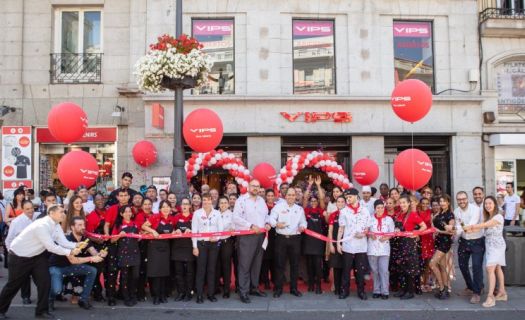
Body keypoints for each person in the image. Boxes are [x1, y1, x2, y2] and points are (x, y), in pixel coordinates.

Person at [0, 205, 85, 319]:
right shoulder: (42, 225)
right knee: (13, 285)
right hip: (19, 257)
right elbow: (51, 247)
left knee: (45, 282)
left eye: (63, 211)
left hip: (37, 256)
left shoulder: (56, 224)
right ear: (51, 213)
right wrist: (70, 252)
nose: (63, 214)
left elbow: (62, 241)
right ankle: (1, 310)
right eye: (60, 212)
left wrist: (75, 245)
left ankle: (41, 311)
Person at [48, 216, 105, 311]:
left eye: (83, 225)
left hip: (70, 267)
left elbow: (93, 252)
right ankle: (49, 300)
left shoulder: (85, 238)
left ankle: (83, 299)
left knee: (92, 270)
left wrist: (100, 254)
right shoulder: (66, 239)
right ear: (72, 227)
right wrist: (92, 258)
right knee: (57, 290)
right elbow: (73, 260)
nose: (83, 227)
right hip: (56, 267)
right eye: (79, 225)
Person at [465, 196, 507, 308]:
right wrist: (467, 229)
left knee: (489, 269)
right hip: (489, 246)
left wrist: (472, 226)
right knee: (497, 268)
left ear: (495, 204)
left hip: (497, 246)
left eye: (490, 203)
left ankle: (490, 297)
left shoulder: (498, 217)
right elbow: (480, 228)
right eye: (486, 204)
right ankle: (502, 292)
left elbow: (484, 225)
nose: (488, 205)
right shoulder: (487, 217)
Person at [233, 179, 270, 303]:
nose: (255, 188)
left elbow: (266, 215)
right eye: (253, 186)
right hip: (246, 236)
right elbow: (236, 218)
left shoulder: (261, 201)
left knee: (256, 263)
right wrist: (250, 225)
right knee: (244, 265)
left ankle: (254, 288)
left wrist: (267, 222)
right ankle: (243, 292)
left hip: (260, 236)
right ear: (248, 187)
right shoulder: (241, 200)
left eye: (257, 186)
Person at [270, 188, 307, 298]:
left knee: (295, 265)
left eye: (292, 195)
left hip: (295, 239)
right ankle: (278, 289)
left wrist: (303, 227)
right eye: (289, 195)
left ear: (295, 196)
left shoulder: (299, 209)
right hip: (281, 238)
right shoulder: (278, 207)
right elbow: (271, 218)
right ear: (285, 196)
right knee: (279, 264)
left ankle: (294, 288)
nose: (290, 197)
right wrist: (276, 224)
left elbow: (303, 222)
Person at [338, 189, 370, 300]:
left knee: (360, 270)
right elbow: (341, 228)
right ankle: (344, 291)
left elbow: (368, 227)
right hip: (348, 245)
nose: (348, 199)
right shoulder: (344, 211)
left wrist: (363, 234)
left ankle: (361, 291)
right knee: (346, 270)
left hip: (361, 246)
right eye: (347, 198)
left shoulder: (364, 210)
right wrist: (338, 243)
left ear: (356, 196)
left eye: (350, 197)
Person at [393, 196, 427, 300]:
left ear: (408, 204)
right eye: (401, 203)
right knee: (401, 268)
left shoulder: (412, 215)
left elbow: (424, 226)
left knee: (409, 268)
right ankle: (403, 289)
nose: (402, 205)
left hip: (409, 244)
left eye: (404, 203)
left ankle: (410, 291)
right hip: (400, 244)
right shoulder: (399, 214)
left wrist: (416, 233)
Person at [454, 191, 485, 304]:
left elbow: (469, 226)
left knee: (477, 266)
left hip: (477, 241)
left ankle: (477, 292)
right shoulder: (456, 211)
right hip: (463, 241)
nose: (461, 201)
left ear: (467, 199)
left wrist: (455, 229)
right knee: (462, 266)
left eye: (463, 199)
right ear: (457, 200)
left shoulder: (475, 209)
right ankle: (470, 287)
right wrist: (453, 235)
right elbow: (458, 227)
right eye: (459, 199)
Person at [192, 193, 223, 303]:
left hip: (213, 245)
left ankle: (211, 294)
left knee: (211, 270)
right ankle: (199, 295)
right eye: (204, 200)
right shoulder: (197, 213)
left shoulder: (217, 213)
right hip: (201, 245)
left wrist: (217, 237)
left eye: (208, 200)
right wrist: (194, 247)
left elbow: (221, 229)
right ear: (202, 201)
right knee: (201, 270)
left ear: (211, 201)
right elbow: (194, 231)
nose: (206, 202)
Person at [142, 200, 174, 305]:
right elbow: (144, 226)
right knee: (155, 273)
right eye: (163, 207)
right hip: (154, 249)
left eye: (167, 206)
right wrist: (152, 231)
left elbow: (172, 232)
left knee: (164, 272)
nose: (165, 209)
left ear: (170, 208)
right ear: (160, 209)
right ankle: (156, 296)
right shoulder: (155, 217)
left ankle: (162, 295)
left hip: (166, 248)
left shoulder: (171, 219)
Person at [4, 200, 35, 305]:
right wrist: (12, 253)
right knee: (17, 280)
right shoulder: (16, 222)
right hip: (19, 255)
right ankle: (25, 297)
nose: (30, 210)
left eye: (31, 208)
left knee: (41, 278)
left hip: (35, 254)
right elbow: (9, 240)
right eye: (27, 209)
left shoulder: (36, 218)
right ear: (22, 210)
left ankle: (45, 303)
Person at [103, 189, 131, 306]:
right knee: (112, 271)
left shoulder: (131, 209)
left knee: (125, 271)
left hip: (128, 245)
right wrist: (108, 236)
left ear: (129, 197)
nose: (123, 197)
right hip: (114, 244)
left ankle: (123, 294)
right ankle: (111, 296)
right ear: (117, 197)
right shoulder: (112, 209)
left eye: (125, 195)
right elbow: (107, 224)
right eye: (121, 195)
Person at [111, 206, 141, 307]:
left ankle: (133, 294)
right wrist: (119, 235)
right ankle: (126, 297)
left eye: (130, 211)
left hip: (135, 253)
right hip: (123, 254)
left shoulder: (135, 224)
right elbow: (112, 240)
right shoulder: (118, 225)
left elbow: (139, 236)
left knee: (135, 276)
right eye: (126, 212)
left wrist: (140, 236)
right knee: (124, 277)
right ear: (121, 214)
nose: (128, 213)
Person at [429, 195, 455, 300]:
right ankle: (445, 289)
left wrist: (439, 231)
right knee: (442, 267)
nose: (442, 203)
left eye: (444, 201)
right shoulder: (439, 213)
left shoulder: (450, 215)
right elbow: (434, 225)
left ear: (448, 202)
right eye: (441, 201)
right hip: (438, 241)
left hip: (444, 243)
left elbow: (451, 231)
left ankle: (441, 288)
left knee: (432, 264)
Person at [367, 199, 395, 299]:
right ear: (375, 209)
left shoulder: (389, 220)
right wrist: (370, 236)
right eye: (378, 208)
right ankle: (376, 290)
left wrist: (386, 237)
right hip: (372, 248)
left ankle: (385, 291)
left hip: (384, 248)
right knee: (374, 270)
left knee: (384, 270)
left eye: (382, 207)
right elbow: (366, 231)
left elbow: (392, 233)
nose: (380, 209)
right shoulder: (369, 219)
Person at [84, 193, 107, 302]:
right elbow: (87, 234)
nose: (100, 201)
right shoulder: (91, 215)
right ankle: (97, 293)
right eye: (98, 200)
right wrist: (96, 240)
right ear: (93, 202)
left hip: (107, 245)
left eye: (102, 199)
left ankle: (109, 292)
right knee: (97, 271)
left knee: (108, 270)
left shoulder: (108, 213)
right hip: (96, 246)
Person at [171, 198, 194, 302]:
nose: (184, 206)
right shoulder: (176, 217)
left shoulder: (194, 216)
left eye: (186, 204)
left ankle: (189, 292)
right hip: (177, 247)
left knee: (189, 272)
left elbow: (200, 230)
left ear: (190, 206)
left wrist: (192, 231)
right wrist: (175, 230)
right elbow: (170, 229)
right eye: (183, 204)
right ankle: (181, 292)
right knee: (179, 272)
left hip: (189, 247)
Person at [134, 198, 154, 301]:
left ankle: (153, 291)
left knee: (151, 269)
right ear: (142, 206)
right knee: (142, 270)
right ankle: (140, 293)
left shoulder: (154, 215)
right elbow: (140, 231)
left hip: (153, 246)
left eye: (149, 204)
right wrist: (149, 232)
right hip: (142, 246)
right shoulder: (139, 216)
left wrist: (148, 232)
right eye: (145, 204)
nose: (147, 206)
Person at [327, 196, 345, 296]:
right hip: (334, 243)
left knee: (345, 267)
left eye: (343, 201)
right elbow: (330, 230)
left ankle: (343, 287)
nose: (340, 203)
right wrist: (331, 244)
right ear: (336, 203)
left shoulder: (348, 214)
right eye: (339, 201)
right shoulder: (333, 215)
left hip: (346, 244)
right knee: (336, 267)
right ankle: (337, 288)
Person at [217, 196, 235, 298]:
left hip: (226, 242)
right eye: (221, 203)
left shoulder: (232, 215)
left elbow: (234, 227)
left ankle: (226, 289)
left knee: (226, 265)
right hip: (215, 242)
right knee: (216, 264)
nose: (223, 204)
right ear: (219, 204)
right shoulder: (214, 213)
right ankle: (216, 286)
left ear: (228, 204)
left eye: (225, 203)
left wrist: (233, 229)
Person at [260, 189, 276, 290]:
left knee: (274, 260)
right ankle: (265, 280)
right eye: (268, 196)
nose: (270, 197)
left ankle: (274, 280)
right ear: (266, 197)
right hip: (264, 236)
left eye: (272, 196)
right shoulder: (263, 207)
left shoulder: (278, 207)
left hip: (275, 236)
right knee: (265, 260)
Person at [418, 197, 434, 293]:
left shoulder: (431, 212)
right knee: (420, 262)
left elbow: (432, 224)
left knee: (427, 262)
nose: (424, 205)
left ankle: (426, 282)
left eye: (426, 203)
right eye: (423, 203)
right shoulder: (417, 212)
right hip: (420, 239)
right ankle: (420, 282)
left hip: (428, 239)